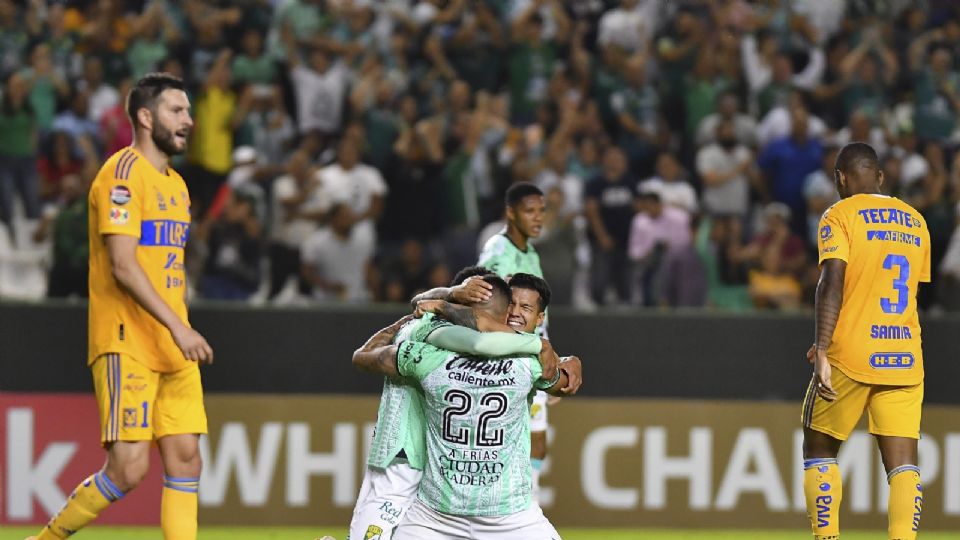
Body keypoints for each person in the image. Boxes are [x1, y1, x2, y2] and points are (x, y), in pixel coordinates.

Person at [28, 73, 214, 540]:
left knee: (187, 458)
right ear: (145, 117)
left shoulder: (178, 187)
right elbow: (124, 266)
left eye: (189, 111)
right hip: (128, 340)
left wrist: (180, 327)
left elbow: (169, 267)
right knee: (129, 470)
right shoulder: (122, 175)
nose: (188, 120)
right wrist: (180, 327)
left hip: (175, 344)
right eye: (177, 110)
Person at [352, 275, 576, 540]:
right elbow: (565, 382)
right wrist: (565, 360)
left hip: (442, 515)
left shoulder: (426, 356)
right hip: (492, 515)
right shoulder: (527, 363)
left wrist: (423, 314)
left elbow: (365, 357)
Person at [802, 143, 930, 540]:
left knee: (819, 449)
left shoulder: (838, 214)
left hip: (851, 353)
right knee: (903, 465)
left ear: (841, 177)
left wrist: (822, 346)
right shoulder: (915, 220)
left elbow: (831, 282)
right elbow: (910, 291)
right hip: (905, 356)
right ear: (880, 176)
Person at [477, 182, 553, 500]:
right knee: (512, 441)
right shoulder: (498, 253)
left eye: (541, 212)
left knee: (537, 439)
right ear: (511, 212)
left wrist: (549, 361)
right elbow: (486, 311)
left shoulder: (530, 253)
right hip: (508, 361)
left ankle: (526, 506)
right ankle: (514, 510)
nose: (538, 219)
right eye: (529, 211)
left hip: (531, 357)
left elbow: (538, 315)